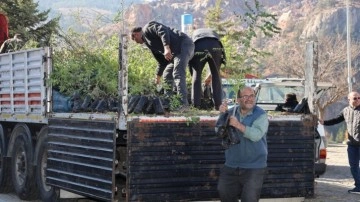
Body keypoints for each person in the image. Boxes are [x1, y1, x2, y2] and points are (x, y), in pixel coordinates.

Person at [215, 86, 269, 202]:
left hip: (254, 166)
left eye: (252, 96)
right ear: (238, 100)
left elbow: (256, 135)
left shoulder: (261, 114)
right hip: (231, 164)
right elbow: (218, 132)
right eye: (245, 96)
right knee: (224, 194)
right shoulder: (231, 112)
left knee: (249, 199)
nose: (249, 99)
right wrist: (222, 115)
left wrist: (238, 125)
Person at [130, 21, 195, 107]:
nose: (136, 42)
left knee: (178, 72)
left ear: (136, 34)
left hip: (184, 45)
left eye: (134, 39)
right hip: (176, 54)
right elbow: (162, 62)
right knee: (167, 73)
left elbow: (163, 30)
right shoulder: (149, 43)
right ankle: (169, 101)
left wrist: (166, 48)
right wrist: (158, 77)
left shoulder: (147, 28)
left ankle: (183, 104)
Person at [320, 91, 360, 194]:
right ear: (349, 100)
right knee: (353, 166)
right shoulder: (345, 111)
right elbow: (336, 120)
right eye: (355, 98)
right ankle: (358, 186)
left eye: (359, 98)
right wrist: (324, 122)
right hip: (352, 144)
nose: (357, 100)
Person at [188, 28, 226, 110]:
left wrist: (193, 74)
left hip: (198, 45)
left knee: (196, 75)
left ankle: (196, 106)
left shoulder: (193, 34)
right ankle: (218, 106)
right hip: (216, 45)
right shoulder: (213, 32)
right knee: (216, 75)